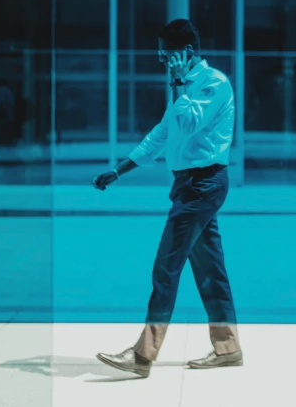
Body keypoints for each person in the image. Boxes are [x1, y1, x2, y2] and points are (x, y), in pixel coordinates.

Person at [92, 19, 242, 378]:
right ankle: (228, 348)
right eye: (161, 55)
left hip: (202, 186)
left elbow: (189, 124)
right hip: (189, 186)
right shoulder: (186, 86)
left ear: (187, 52)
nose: (162, 61)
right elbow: (163, 132)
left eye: (167, 54)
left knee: (166, 268)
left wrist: (176, 85)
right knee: (211, 272)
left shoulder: (213, 83)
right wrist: (121, 169)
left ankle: (142, 356)